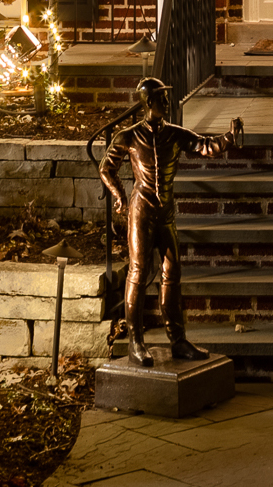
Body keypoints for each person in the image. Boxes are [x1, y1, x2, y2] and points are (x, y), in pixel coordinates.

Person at [97, 76, 241, 366]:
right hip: (141, 211)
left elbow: (203, 145)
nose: (167, 102)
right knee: (137, 273)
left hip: (166, 213)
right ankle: (137, 341)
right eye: (162, 98)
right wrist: (120, 196)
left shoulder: (175, 134)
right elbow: (106, 168)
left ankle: (178, 340)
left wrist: (229, 138)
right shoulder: (128, 136)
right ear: (149, 103)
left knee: (172, 274)